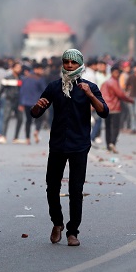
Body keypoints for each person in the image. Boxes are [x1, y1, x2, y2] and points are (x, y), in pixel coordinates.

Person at [30, 49, 108, 247]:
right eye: (66, 62)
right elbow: (36, 113)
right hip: (57, 144)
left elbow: (104, 112)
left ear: (80, 64)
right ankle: (57, 223)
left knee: (75, 189)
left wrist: (90, 95)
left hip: (79, 145)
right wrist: (38, 106)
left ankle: (73, 231)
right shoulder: (54, 87)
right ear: (63, 64)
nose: (70, 66)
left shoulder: (88, 87)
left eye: (73, 63)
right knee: (52, 187)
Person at [100, 64, 132, 152]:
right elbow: (121, 94)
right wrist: (130, 100)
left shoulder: (105, 83)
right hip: (115, 108)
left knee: (107, 127)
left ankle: (108, 145)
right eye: (116, 72)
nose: (117, 74)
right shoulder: (114, 82)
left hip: (106, 108)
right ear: (112, 73)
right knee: (115, 127)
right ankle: (112, 143)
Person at [19, 62, 48, 144]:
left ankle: (27, 139)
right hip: (37, 103)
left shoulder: (25, 78)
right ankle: (36, 131)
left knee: (28, 120)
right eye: (41, 69)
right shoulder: (40, 79)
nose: (42, 71)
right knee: (39, 119)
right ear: (36, 69)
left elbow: (21, 91)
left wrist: (21, 103)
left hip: (26, 102)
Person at [0, 61, 23, 143]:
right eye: (17, 67)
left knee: (20, 119)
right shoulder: (7, 78)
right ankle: (3, 136)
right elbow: (1, 90)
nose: (18, 69)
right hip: (9, 100)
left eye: (19, 68)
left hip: (19, 101)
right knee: (6, 118)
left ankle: (16, 137)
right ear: (12, 68)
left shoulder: (22, 78)